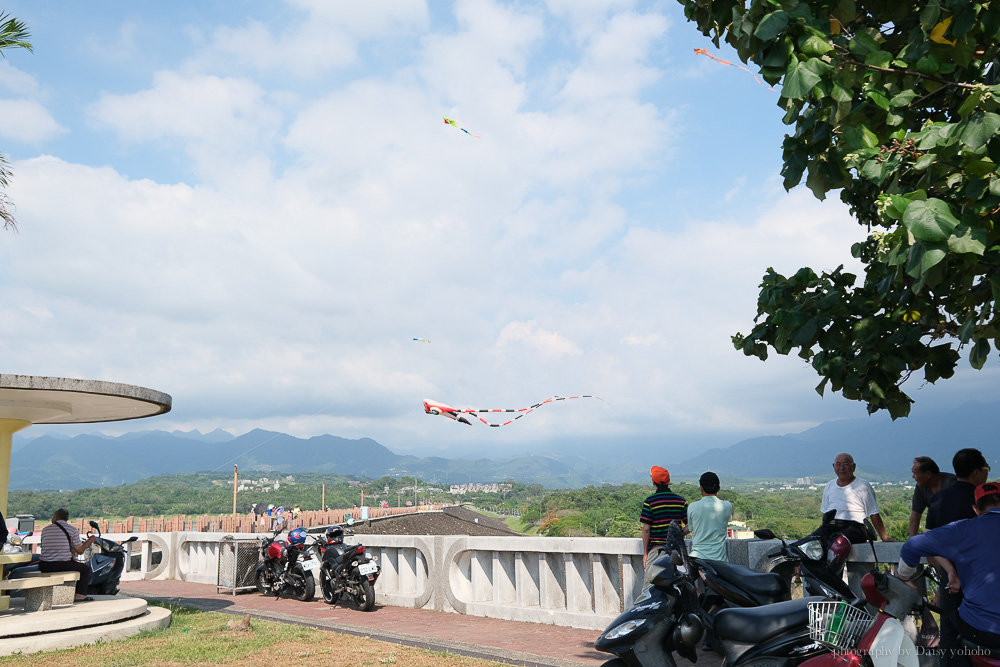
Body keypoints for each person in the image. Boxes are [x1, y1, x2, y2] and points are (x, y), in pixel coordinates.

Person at [897, 482, 1000, 662]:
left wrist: (904, 577)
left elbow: (912, 545)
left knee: (951, 622)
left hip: (981, 631)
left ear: (976, 509)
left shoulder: (963, 530)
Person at [921, 447, 991, 664]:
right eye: (986, 468)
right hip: (982, 576)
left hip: (950, 576)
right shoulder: (984, 501)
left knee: (950, 627)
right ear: (977, 472)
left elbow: (930, 540)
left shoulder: (939, 498)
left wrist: (947, 570)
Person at [813, 452, 892, 544]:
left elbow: (873, 513)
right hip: (832, 525)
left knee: (837, 542)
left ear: (853, 467)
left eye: (846, 464)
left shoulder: (862, 486)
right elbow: (826, 513)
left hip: (856, 527)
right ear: (833, 466)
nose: (842, 468)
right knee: (811, 542)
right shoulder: (829, 485)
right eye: (838, 464)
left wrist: (883, 536)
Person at [639, 465, 687, 581]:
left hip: (657, 549)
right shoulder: (680, 501)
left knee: (650, 585)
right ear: (668, 481)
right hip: (676, 552)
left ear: (653, 481)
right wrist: (677, 534)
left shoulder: (650, 501)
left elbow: (646, 529)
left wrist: (645, 553)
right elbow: (689, 526)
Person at [38, 508, 96, 602]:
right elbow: (79, 549)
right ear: (66, 518)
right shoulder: (72, 529)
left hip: (44, 565)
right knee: (85, 569)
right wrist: (90, 540)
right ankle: (80, 595)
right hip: (62, 564)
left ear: (55, 517)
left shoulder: (45, 530)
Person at [688, 471, 733, 561]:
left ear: (701, 488)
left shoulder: (692, 506)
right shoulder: (727, 506)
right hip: (720, 561)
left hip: (698, 558)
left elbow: (690, 528)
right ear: (718, 488)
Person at [909, 456, 957, 537]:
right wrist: (911, 542)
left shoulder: (951, 483)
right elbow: (916, 515)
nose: (913, 477)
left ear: (928, 474)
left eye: (915, 473)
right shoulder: (921, 487)